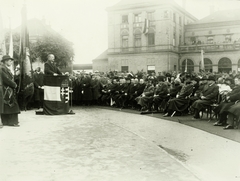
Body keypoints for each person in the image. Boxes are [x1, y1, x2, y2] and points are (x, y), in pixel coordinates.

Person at [0, 55, 20, 127]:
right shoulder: (2, 68)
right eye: (10, 60)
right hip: (5, 89)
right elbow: (6, 79)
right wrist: (14, 85)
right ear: (5, 61)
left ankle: (7, 121)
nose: (11, 62)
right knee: (11, 105)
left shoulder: (5, 68)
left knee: (7, 105)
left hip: (7, 89)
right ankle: (12, 122)